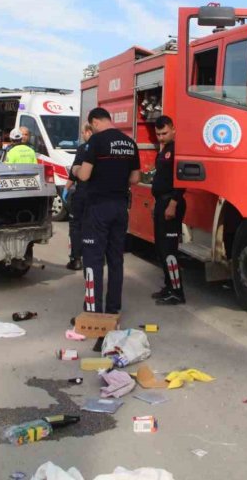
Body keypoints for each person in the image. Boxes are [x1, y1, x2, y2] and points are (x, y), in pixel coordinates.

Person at [77, 108, 140, 349]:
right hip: (120, 207)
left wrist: (75, 170)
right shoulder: (129, 142)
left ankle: (94, 313)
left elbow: (84, 175)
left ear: (94, 122)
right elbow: (135, 178)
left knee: (92, 261)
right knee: (115, 260)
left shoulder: (96, 141)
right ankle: (113, 311)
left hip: (98, 208)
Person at [150, 116, 186, 305]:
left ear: (173, 129)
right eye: (158, 134)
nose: (161, 137)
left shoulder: (177, 150)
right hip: (161, 203)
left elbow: (181, 181)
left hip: (172, 203)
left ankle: (177, 292)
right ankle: (169, 286)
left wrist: (173, 203)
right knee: (161, 249)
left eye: (164, 133)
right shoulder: (163, 150)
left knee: (170, 250)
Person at [64, 123, 93, 270]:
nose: (82, 136)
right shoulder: (105, 148)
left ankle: (76, 259)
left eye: (83, 133)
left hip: (83, 193)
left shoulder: (84, 148)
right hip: (99, 195)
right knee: (95, 226)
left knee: (76, 226)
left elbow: (75, 172)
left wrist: (66, 189)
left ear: (89, 132)